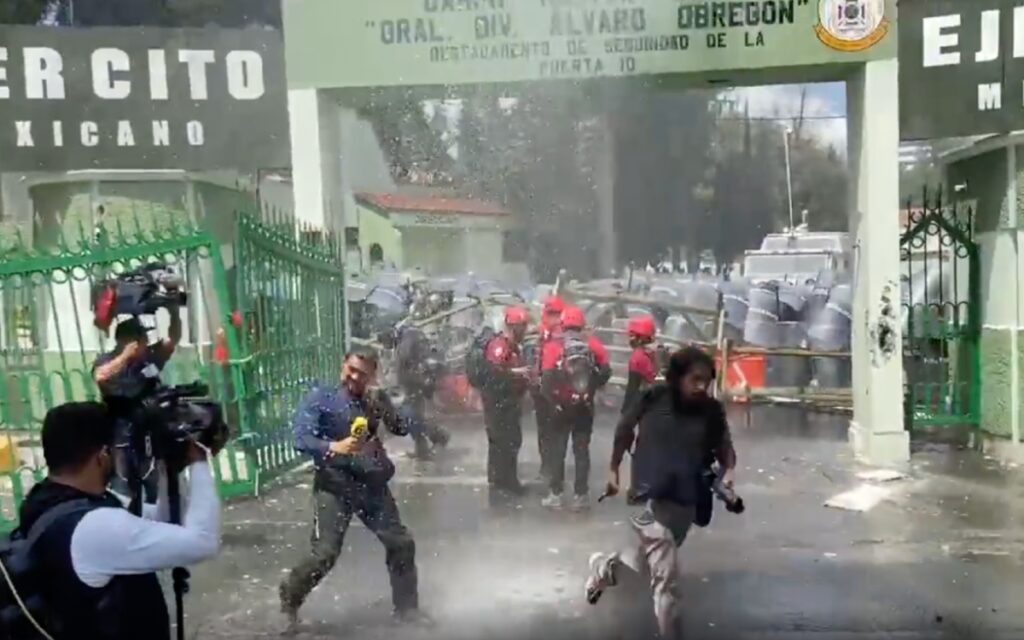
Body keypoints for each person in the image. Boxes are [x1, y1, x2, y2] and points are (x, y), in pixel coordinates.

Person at [14, 401, 221, 640]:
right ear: (101, 456)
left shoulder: (44, 501)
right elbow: (203, 541)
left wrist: (168, 470)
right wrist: (199, 460)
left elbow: (159, 526)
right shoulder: (95, 526)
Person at [584, 347, 737, 640]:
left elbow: (725, 448)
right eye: (694, 379)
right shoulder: (653, 398)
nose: (700, 386)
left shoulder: (710, 411)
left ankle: (602, 569)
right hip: (653, 494)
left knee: (638, 564)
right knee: (665, 577)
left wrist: (728, 473)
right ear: (678, 378)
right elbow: (625, 428)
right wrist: (614, 469)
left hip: (686, 502)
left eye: (706, 380)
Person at [280, 349, 429, 629]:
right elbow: (301, 438)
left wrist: (396, 409)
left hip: (370, 483)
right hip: (334, 484)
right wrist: (332, 447)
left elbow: (399, 428)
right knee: (324, 554)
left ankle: (407, 609)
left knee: (401, 543)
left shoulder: (375, 399)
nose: (354, 377)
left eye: (362, 373)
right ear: (343, 367)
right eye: (351, 369)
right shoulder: (322, 399)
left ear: (372, 376)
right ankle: (289, 599)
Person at [93, 313, 181, 503]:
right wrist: (125, 356)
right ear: (129, 342)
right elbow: (100, 376)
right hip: (121, 436)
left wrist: (174, 309)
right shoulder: (108, 360)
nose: (146, 342)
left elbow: (172, 341)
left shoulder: (147, 360)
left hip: (149, 434)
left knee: (154, 488)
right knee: (123, 490)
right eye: (142, 338)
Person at [538, 306, 611, 511]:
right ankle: (581, 495)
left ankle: (556, 494)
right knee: (581, 451)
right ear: (581, 324)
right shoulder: (593, 345)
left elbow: (546, 382)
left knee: (557, 451)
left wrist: (556, 403)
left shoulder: (553, 347)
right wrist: (589, 390)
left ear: (562, 324)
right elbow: (606, 371)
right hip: (584, 406)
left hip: (561, 407)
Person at [480, 306, 531, 499]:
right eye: (522, 326)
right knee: (505, 441)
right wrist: (516, 374)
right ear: (513, 327)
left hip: (508, 400)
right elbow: (495, 371)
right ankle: (506, 482)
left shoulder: (513, 346)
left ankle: (499, 480)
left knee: (506, 441)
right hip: (498, 402)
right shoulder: (499, 345)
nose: (524, 330)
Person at [394, 325, 450, 460]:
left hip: (416, 384)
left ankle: (433, 441)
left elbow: (407, 368)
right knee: (414, 416)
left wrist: (423, 379)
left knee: (412, 416)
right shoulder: (412, 343)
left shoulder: (409, 344)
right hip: (415, 383)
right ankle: (430, 442)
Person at [532, 295, 565, 484]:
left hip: (550, 387)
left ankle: (551, 469)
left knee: (549, 430)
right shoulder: (562, 332)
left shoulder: (546, 332)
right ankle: (551, 467)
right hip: (554, 388)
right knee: (550, 430)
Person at [622, 315, 658, 414]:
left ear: (640, 338)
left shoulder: (637, 357)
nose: (630, 339)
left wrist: (625, 412)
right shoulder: (654, 351)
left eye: (632, 336)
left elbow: (632, 388)